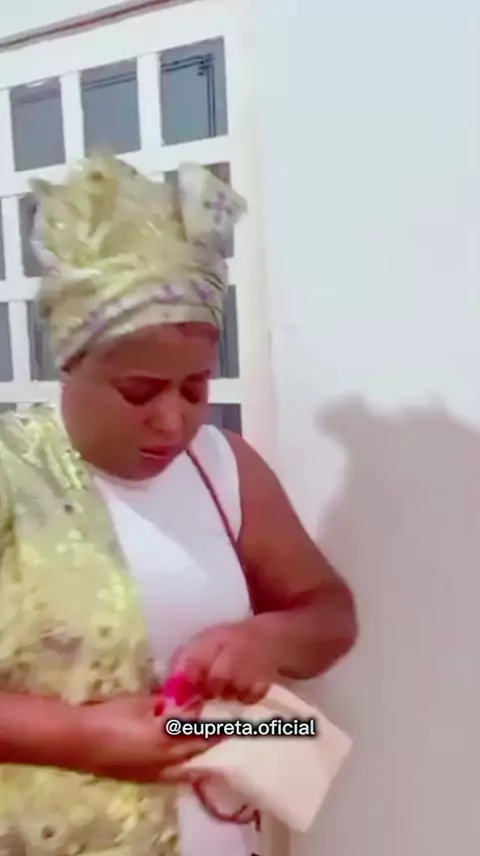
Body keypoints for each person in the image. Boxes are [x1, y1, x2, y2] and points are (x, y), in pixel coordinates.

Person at [0, 154, 357, 856]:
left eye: (195, 389)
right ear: (70, 362)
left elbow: (330, 614)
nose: (173, 421)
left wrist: (268, 641)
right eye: (139, 392)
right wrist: (81, 737)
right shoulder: (13, 472)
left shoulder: (222, 468)